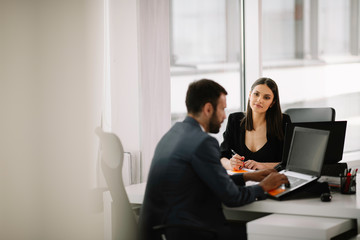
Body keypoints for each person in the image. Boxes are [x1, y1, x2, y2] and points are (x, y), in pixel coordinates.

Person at [138, 79, 289, 240]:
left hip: (162, 230)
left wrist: (246, 176)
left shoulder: (174, 133)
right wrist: (263, 186)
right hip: (188, 231)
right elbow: (232, 197)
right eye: (222, 109)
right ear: (208, 109)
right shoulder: (203, 142)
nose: (225, 116)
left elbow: (210, 180)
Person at [220, 77, 291, 171]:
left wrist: (263, 166)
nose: (259, 100)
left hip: (272, 180)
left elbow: (291, 162)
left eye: (266, 97)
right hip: (243, 180)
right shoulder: (234, 120)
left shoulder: (283, 122)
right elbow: (222, 156)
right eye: (256, 94)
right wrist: (230, 164)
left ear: (272, 103)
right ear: (250, 95)